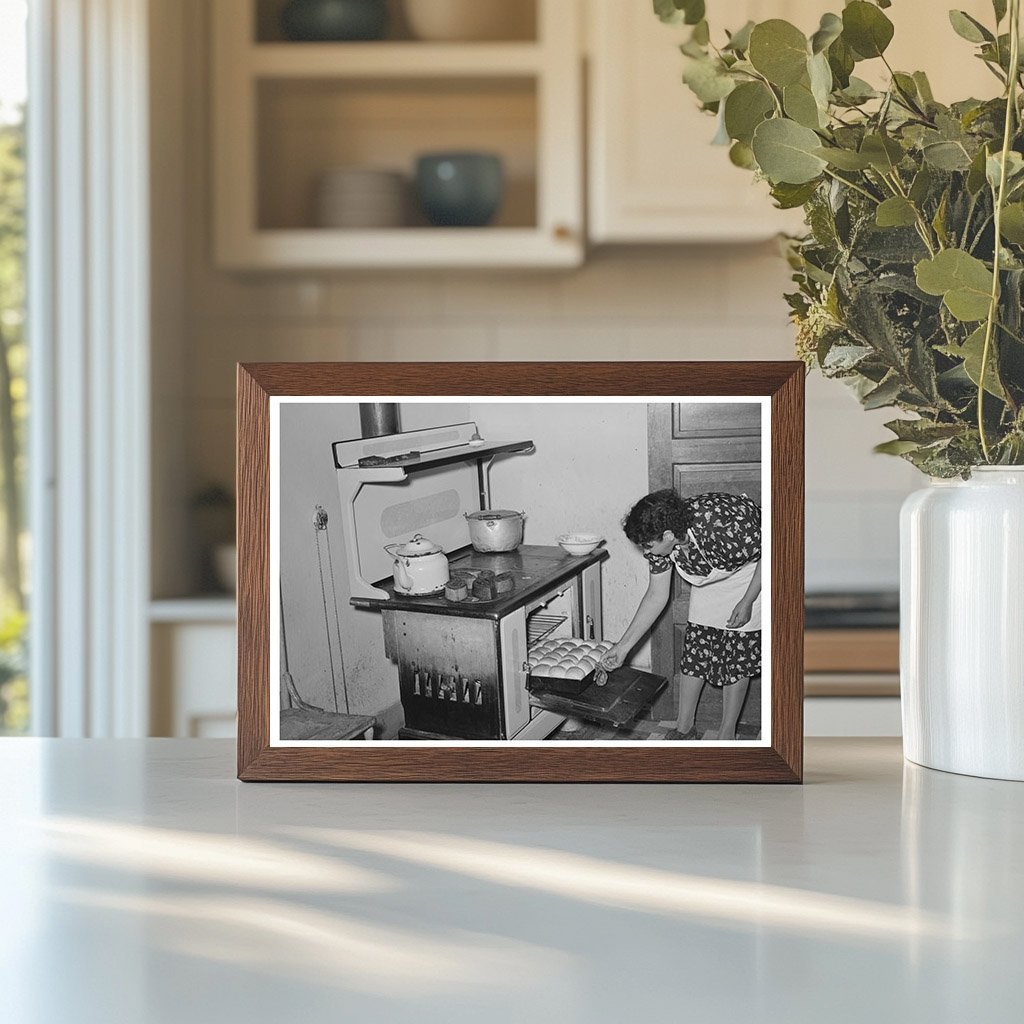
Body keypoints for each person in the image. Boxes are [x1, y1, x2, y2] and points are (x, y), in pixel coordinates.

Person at [600, 489, 761, 741]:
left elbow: (772, 551)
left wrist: (748, 600)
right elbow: (656, 595)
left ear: (667, 535)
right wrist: (623, 648)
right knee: (696, 648)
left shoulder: (722, 524)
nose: (647, 552)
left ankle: (727, 733)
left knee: (736, 654)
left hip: (750, 574)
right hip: (710, 577)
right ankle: (684, 728)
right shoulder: (661, 542)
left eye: (648, 545)